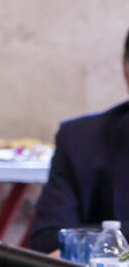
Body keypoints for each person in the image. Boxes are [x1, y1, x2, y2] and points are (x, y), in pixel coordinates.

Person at [29, 27, 129, 253]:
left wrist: (98, 238)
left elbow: (69, 243)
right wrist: (114, 241)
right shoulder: (81, 141)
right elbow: (47, 241)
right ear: (126, 73)